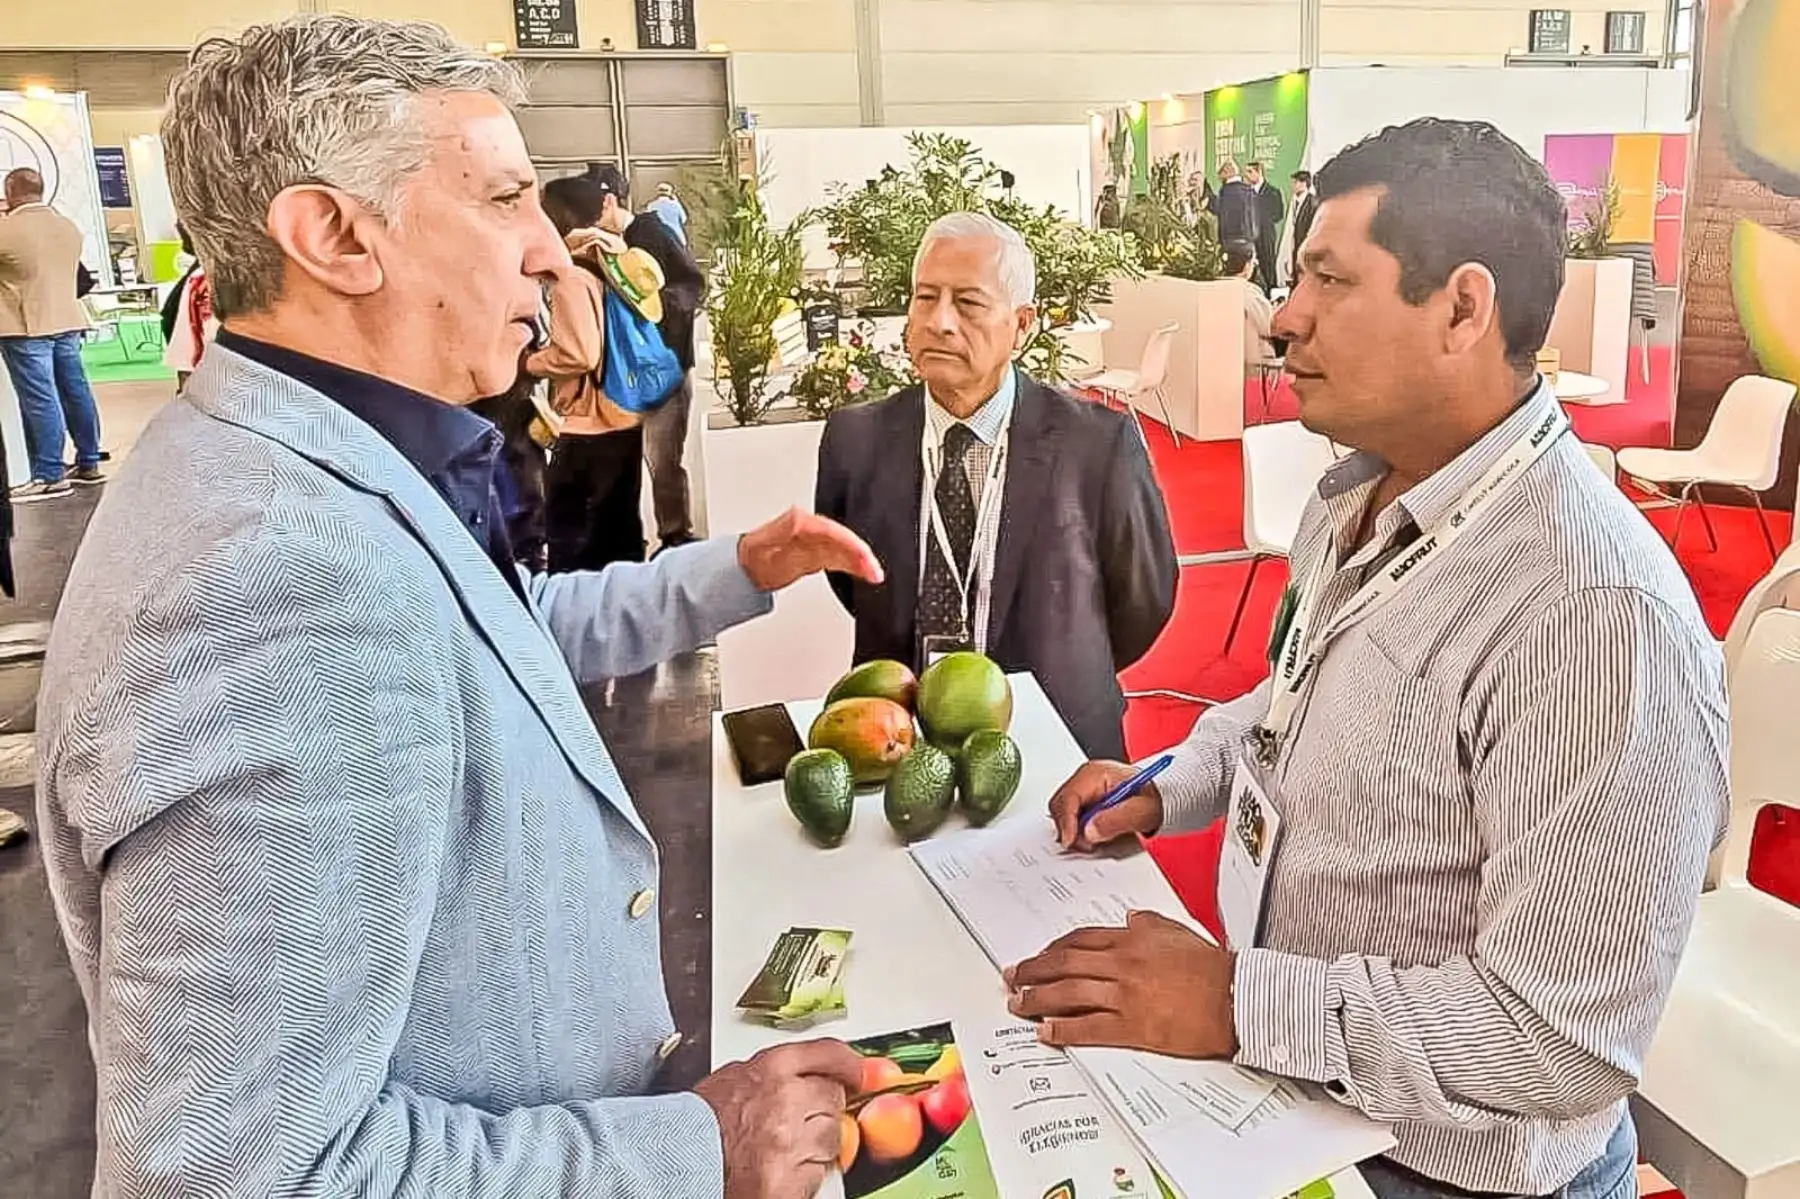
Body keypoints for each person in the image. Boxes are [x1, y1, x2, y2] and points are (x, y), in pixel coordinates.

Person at [36, 17, 885, 1198]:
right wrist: (696, 1149)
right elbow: (244, 1175)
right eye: (504, 199)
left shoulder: (322, 467)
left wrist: (736, 565)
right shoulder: (275, 583)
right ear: (335, 235)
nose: (550, 252)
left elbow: (497, 640)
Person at [1006, 118, 1728, 1199]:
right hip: (1297, 1104)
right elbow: (1296, 694)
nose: (1284, 317)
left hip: (1446, 1172)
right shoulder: (1359, 491)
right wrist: (1170, 780)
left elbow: (1562, 1039)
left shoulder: (1593, 619)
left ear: (1463, 310)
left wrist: (1237, 1002)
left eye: (1330, 279)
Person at [815, 212, 1177, 761]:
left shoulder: (1096, 445)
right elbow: (851, 583)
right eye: (925, 297)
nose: (940, 321)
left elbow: (1143, 600)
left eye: (968, 303)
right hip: (898, 737)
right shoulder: (856, 439)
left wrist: (1069, 666)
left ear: (1022, 324)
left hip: (1056, 736)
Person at [584, 163, 703, 552]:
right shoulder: (599, 248)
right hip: (624, 373)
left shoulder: (650, 232)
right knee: (626, 459)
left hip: (663, 368)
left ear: (608, 201)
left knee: (662, 457)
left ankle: (675, 535)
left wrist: (655, 310)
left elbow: (692, 285)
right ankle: (631, 537)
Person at [538, 174, 652, 572]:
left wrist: (529, 363)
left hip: (588, 422)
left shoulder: (572, 273)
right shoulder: (616, 260)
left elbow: (578, 354)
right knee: (620, 531)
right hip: (625, 411)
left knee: (574, 542)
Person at [0, 167, 104, 502]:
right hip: (68, 320)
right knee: (76, 391)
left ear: (10, 192)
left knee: (40, 398)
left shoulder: (7, 229)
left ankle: (49, 474)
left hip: (26, 326)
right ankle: (88, 461)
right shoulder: (66, 226)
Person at [1224, 239, 1277, 377]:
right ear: (1247, 265)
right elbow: (1270, 325)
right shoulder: (1249, 292)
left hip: (1226, 363)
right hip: (1254, 366)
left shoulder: (1214, 289)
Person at [1245, 160, 1285, 293]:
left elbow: (1278, 214)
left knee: (1268, 267)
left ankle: (1270, 295)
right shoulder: (1245, 193)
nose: (1247, 175)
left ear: (1259, 172)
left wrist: (1263, 219)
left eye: (1250, 172)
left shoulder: (1273, 192)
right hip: (1249, 237)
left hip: (1266, 236)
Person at [1278, 169, 1319, 289]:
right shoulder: (1295, 202)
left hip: (1306, 249)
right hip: (1295, 248)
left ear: (1304, 183)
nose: (1293, 186)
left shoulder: (1312, 203)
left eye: (1295, 182)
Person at [1210, 159, 1259, 249]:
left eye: (1221, 174)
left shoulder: (1225, 192)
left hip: (1229, 241)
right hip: (1247, 241)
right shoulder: (1249, 191)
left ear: (1227, 172)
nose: (1220, 179)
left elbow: (1217, 210)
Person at [647, 180, 690, 246]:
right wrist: (677, 201)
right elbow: (684, 219)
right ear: (670, 192)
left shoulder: (651, 206)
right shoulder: (676, 205)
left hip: (659, 239)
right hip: (677, 238)